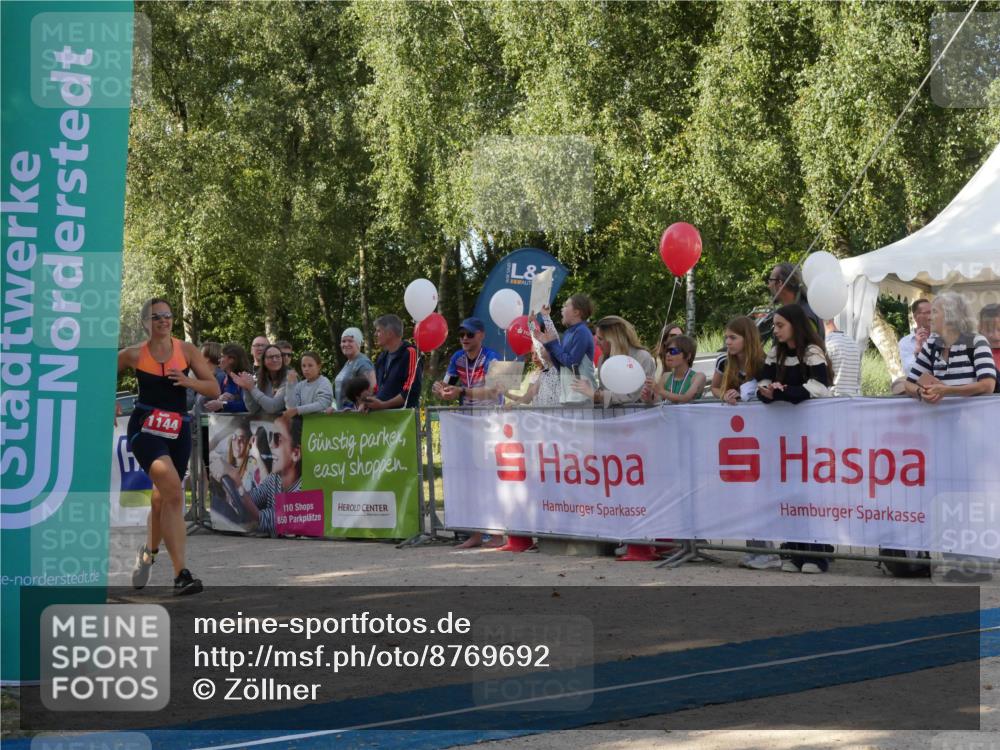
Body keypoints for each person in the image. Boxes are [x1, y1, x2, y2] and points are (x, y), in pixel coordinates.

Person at [118, 298, 220, 595]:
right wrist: (109, 401)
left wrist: (188, 383)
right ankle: (181, 575)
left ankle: (148, 553)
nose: (163, 320)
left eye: (167, 315)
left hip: (178, 429)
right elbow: (97, 376)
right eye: (156, 317)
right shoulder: (133, 354)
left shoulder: (186, 351)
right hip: (146, 429)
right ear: (145, 322)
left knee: (162, 499)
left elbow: (213, 387)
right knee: (174, 492)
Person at [757, 303, 833, 574]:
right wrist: (767, 390)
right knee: (789, 494)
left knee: (812, 494)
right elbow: (762, 382)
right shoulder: (775, 353)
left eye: (780, 325)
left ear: (795, 325)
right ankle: (792, 550)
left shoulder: (812, 352)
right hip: (783, 435)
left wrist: (782, 391)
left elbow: (819, 387)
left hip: (811, 432)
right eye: (775, 326)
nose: (775, 331)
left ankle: (818, 554)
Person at [904, 293, 997, 402]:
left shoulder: (976, 342)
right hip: (941, 418)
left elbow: (988, 386)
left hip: (974, 418)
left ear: (950, 316)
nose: (929, 318)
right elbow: (909, 383)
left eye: (934, 312)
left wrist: (948, 390)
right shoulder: (931, 345)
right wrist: (920, 392)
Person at [223, 414, 303, 536]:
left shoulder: (304, 490)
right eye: (270, 437)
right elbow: (252, 499)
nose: (270, 444)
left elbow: (262, 520)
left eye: (277, 439)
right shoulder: (274, 478)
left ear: (295, 453)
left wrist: (237, 483)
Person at [571, 315, 655, 407]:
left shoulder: (642, 357)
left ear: (614, 340)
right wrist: (589, 390)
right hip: (612, 418)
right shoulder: (602, 359)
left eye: (600, 339)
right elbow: (606, 392)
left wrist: (596, 395)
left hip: (638, 417)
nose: (597, 343)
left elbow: (632, 397)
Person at [532, 295, 596, 403]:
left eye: (566, 306)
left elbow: (572, 363)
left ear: (576, 312)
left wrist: (553, 344)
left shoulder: (581, 331)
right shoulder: (568, 333)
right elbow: (561, 367)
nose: (562, 309)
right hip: (569, 399)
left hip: (581, 399)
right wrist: (548, 344)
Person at [433, 317, 502, 407]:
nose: (465, 338)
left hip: (490, 415)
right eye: (461, 334)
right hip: (467, 415)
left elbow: (494, 391)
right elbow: (447, 385)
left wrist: (462, 391)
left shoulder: (492, 357)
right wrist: (439, 389)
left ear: (481, 335)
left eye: (470, 334)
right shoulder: (457, 358)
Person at [365, 314, 423, 411]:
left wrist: (383, 405)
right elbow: (377, 389)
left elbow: (410, 392)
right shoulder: (382, 357)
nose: (375, 334)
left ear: (390, 333)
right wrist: (367, 403)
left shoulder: (410, 353)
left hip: (403, 421)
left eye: (378, 330)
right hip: (382, 419)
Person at [711, 316, 765, 405]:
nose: (727, 342)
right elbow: (714, 388)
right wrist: (725, 395)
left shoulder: (765, 363)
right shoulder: (723, 361)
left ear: (748, 339)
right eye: (726, 337)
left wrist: (741, 396)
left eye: (733, 337)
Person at [763, 262, 824, 341]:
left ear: (780, 283)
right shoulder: (795, 311)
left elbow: (804, 350)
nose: (769, 285)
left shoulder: (804, 315)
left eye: (770, 280)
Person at [643, 334, 706, 404]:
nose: (668, 354)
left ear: (688, 356)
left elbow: (686, 398)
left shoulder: (698, 377)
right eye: (667, 351)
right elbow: (658, 402)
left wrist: (660, 390)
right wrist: (649, 398)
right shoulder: (665, 376)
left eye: (673, 351)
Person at [236, 344, 290, 415]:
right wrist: (246, 388)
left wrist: (251, 388)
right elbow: (253, 409)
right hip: (265, 424)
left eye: (278, 356)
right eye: (270, 357)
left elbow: (273, 407)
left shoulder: (290, 377)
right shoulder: (261, 378)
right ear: (263, 361)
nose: (275, 360)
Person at [504, 343, 561, 408]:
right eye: (532, 353)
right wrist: (511, 399)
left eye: (537, 353)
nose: (534, 357)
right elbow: (529, 396)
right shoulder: (540, 373)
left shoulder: (560, 367)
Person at [334, 327, 376, 407]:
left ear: (358, 343)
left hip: (357, 416)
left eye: (350, 341)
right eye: (343, 341)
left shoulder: (362, 363)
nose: (346, 344)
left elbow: (372, 388)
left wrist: (363, 404)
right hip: (345, 415)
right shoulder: (348, 362)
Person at [283, 351, 334, 417]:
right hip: (304, 424)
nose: (306, 369)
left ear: (319, 366)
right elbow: (291, 407)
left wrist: (298, 410)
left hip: (321, 423)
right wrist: (290, 385)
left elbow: (323, 404)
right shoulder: (300, 385)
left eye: (310, 365)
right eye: (303, 366)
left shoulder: (324, 382)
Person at [203, 343, 250, 413]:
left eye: (222, 356)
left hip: (243, 423)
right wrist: (219, 400)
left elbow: (248, 406)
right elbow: (220, 406)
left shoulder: (245, 378)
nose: (219, 360)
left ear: (231, 360)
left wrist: (223, 404)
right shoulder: (224, 379)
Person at [823, 319, 862, 397]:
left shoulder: (827, 343)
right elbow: (858, 378)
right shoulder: (852, 343)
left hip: (834, 401)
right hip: (854, 399)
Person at [898, 299, 932, 377]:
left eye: (933, 312)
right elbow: (909, 371)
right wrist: (918, 350)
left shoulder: (941, 338)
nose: (931, 316)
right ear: (915, 317)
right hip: (918, 386)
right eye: (927, 313)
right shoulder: (905, 342)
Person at [978, 303, 1000, 391]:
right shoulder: (974, 355)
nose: (995, 336)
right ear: (979, 329)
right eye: (989, 330)